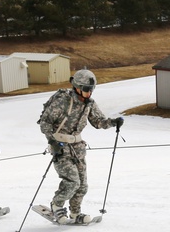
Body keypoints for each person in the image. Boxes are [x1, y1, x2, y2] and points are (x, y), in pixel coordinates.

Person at [37, 69, 122, 224]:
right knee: (72, 181)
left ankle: (75, 213)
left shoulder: (89, 103)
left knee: (82, 185)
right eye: (86, 90)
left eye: (91, 90)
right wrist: (52, 142)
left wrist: (112, 122)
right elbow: (45, 122)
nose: (89, 93)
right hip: (61, 146)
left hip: (78, 147)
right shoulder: (63, 101)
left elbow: (98, 121)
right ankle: (57, 206)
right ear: (76, 87)